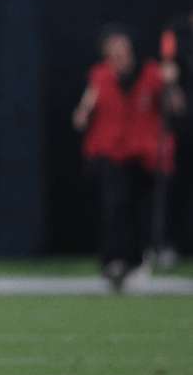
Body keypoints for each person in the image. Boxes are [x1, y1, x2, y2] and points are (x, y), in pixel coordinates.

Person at [73, 26, 183, 289]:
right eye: (114, 53)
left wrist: (171, 84)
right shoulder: (100, 78)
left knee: (141, 210)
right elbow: (83, 112)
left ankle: (139, 260)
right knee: (115, 206)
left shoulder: (152, 75)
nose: (120, 56)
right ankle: (114, 261)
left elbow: (176, 107)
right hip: (112, 152)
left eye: (123, 50)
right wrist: (82, 114)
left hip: (145, 154)